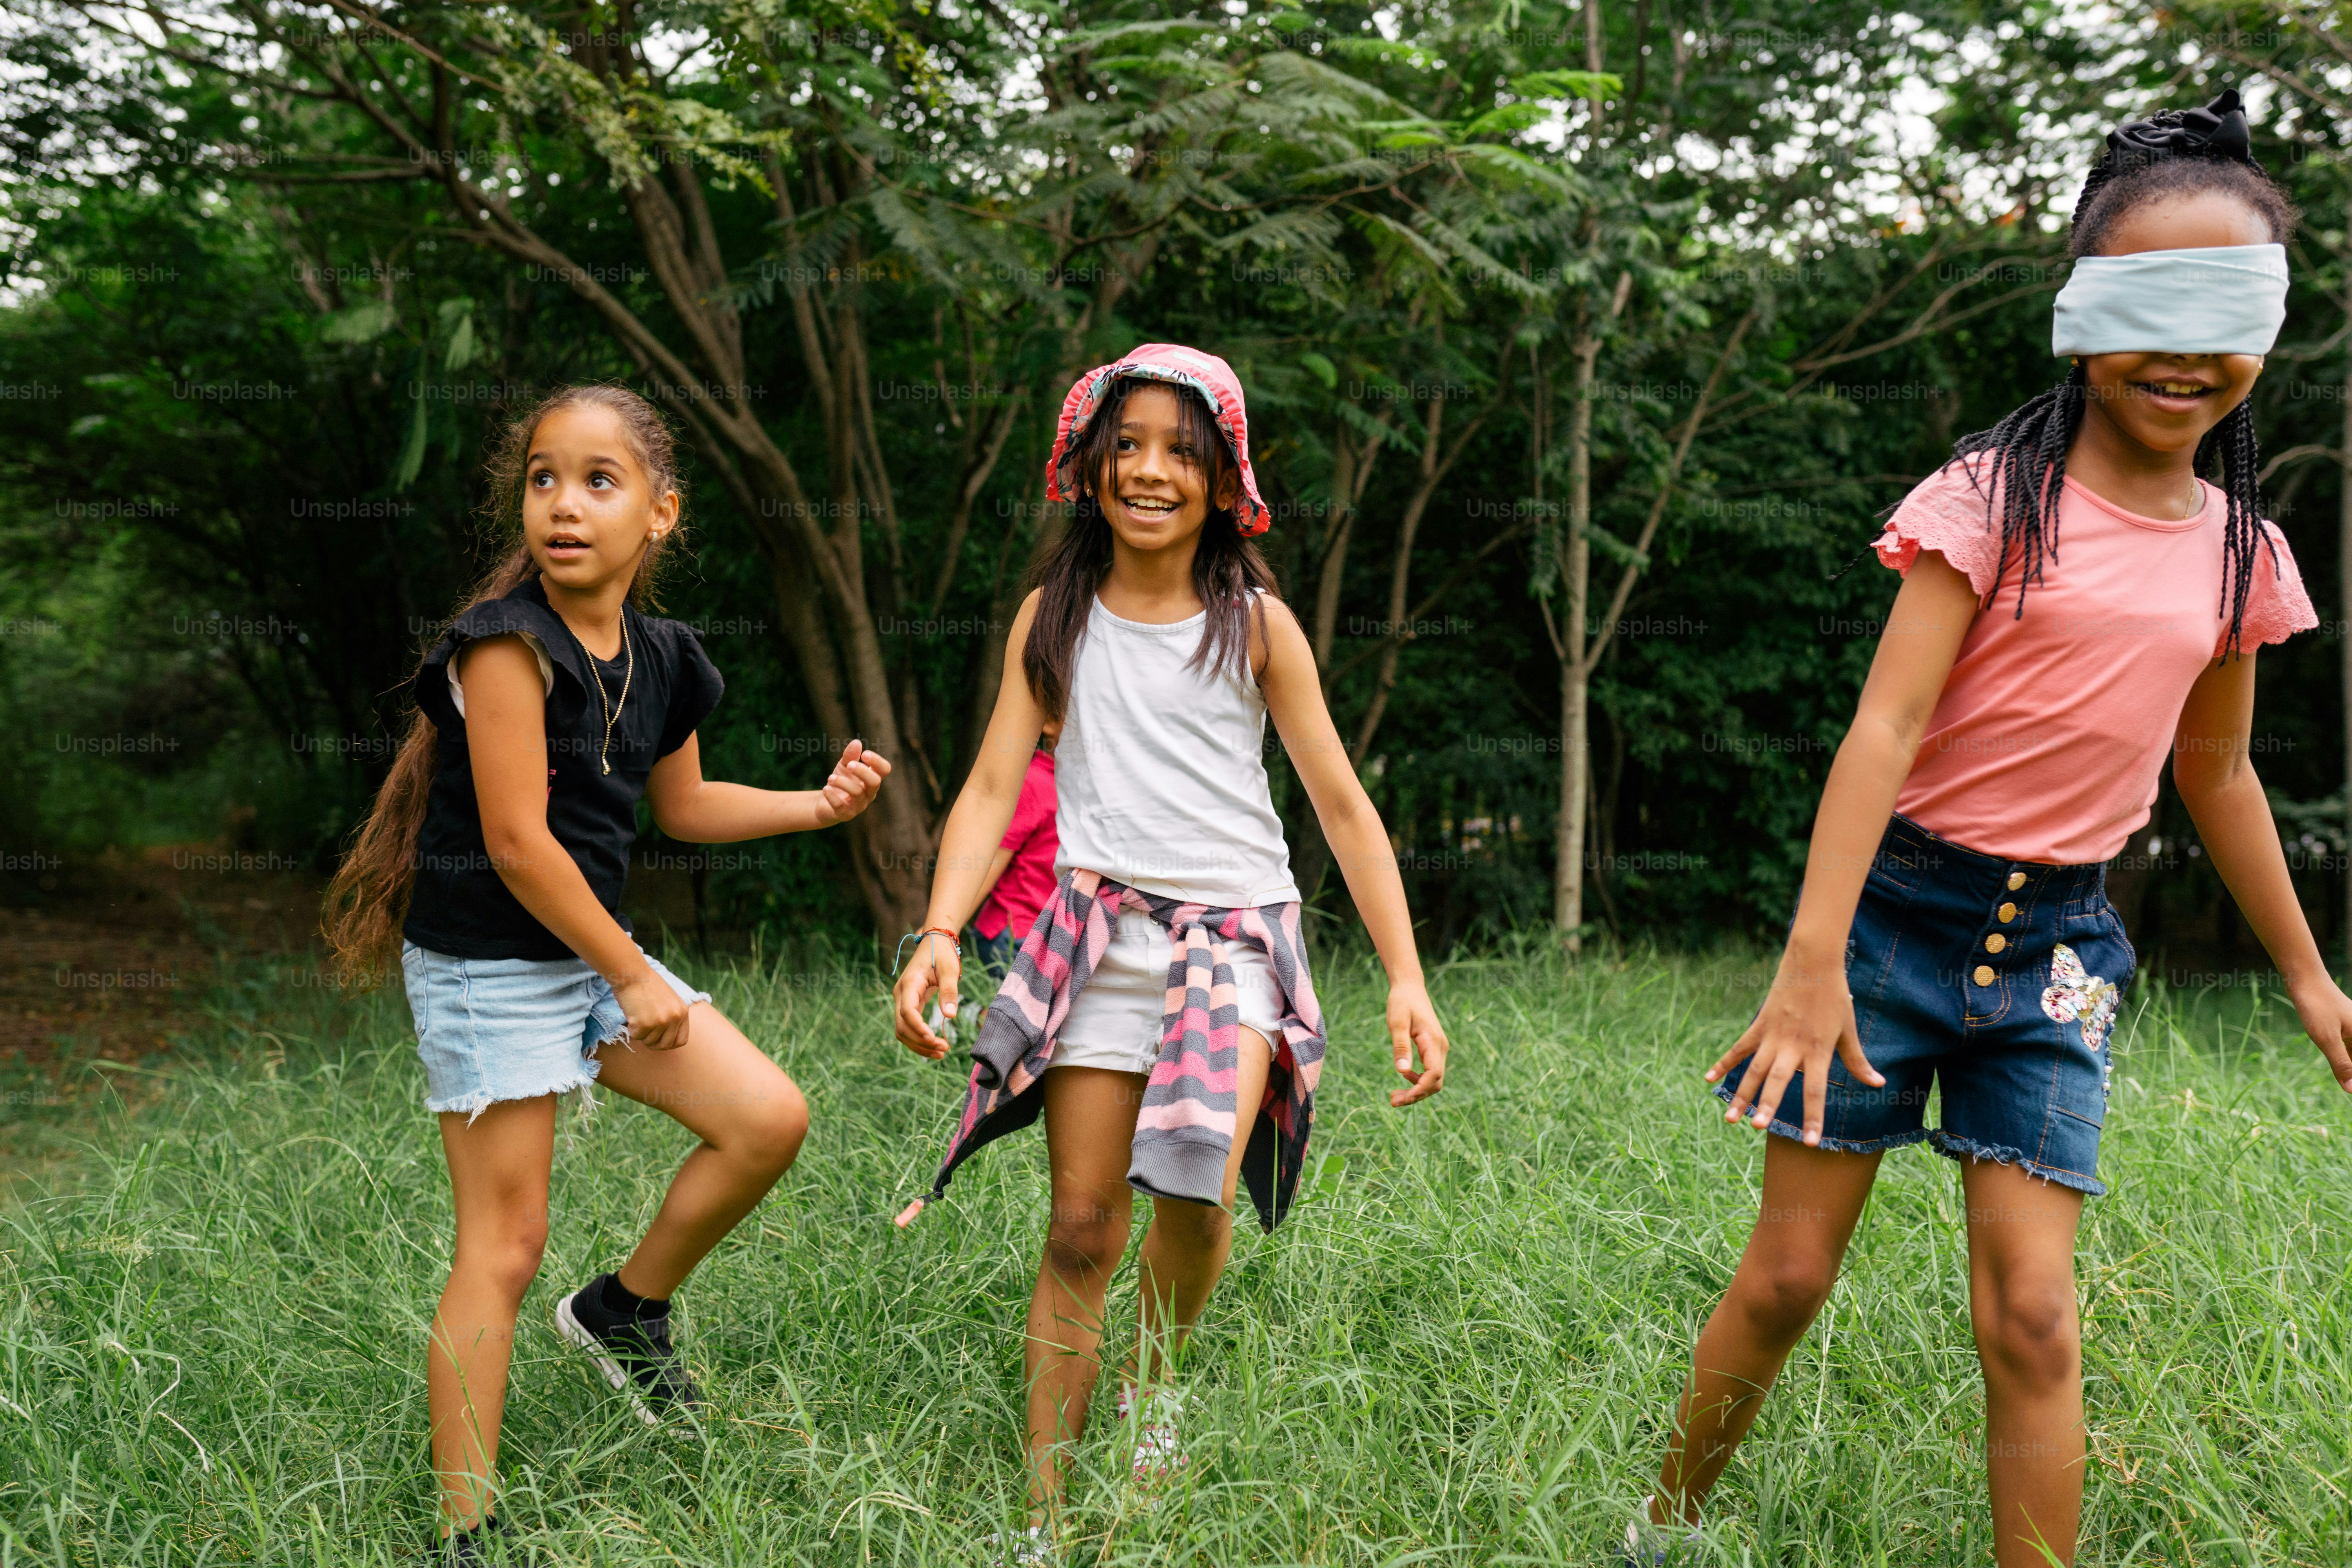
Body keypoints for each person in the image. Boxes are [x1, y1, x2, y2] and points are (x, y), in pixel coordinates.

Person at [1626, 91, 2352, 1568]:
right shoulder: (1990, 500)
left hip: (2061, 951)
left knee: (2028, 1310)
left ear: (2263, 335)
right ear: (2080, 313)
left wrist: (2305, 973)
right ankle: (1654, 1521)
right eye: (2150, 305)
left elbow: (2217, 774)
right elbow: (1879, 733)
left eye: (2225, 314)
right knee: (1785, 1273)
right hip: (1893, 925)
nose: (2183, 350)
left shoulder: (2239, 553)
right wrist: (1811, 959)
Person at [888, 344, 1449, 1563]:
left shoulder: (1257, 626)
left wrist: (1404, 976)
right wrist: (938, 931)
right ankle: (1036, 1522)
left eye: (1180, 452)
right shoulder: (1053, 619)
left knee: (1191, 1193)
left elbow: (1341, 805)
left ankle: (1151, 1386)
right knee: (1082, 1225)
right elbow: (992, 784)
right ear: (1088, 466)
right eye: (1127, 446)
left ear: (1220, 476)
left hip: (1233, 945)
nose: (1150, 470)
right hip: (1100, 941)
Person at [322, 385, 890, 1565]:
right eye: (542, 478)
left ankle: (625, 1308)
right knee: (505, 1241)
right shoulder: (503, 648)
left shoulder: (665, 656)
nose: (563, 504)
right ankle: (465, 1526)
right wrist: (631, 972)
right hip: (491, 962)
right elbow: (522, 845)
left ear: (660, 513)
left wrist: (813, 805)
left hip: (586, 950)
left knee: (764, 1118)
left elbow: (681, 806)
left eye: (598, 480)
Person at [968, 739, 1059, 982]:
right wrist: (946, 925)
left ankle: (969, 1012)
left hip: (1044, 935)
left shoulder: (1078, 786)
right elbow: (993, 859)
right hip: (1013, 933)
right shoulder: (1034, 782)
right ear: (1050, 722)